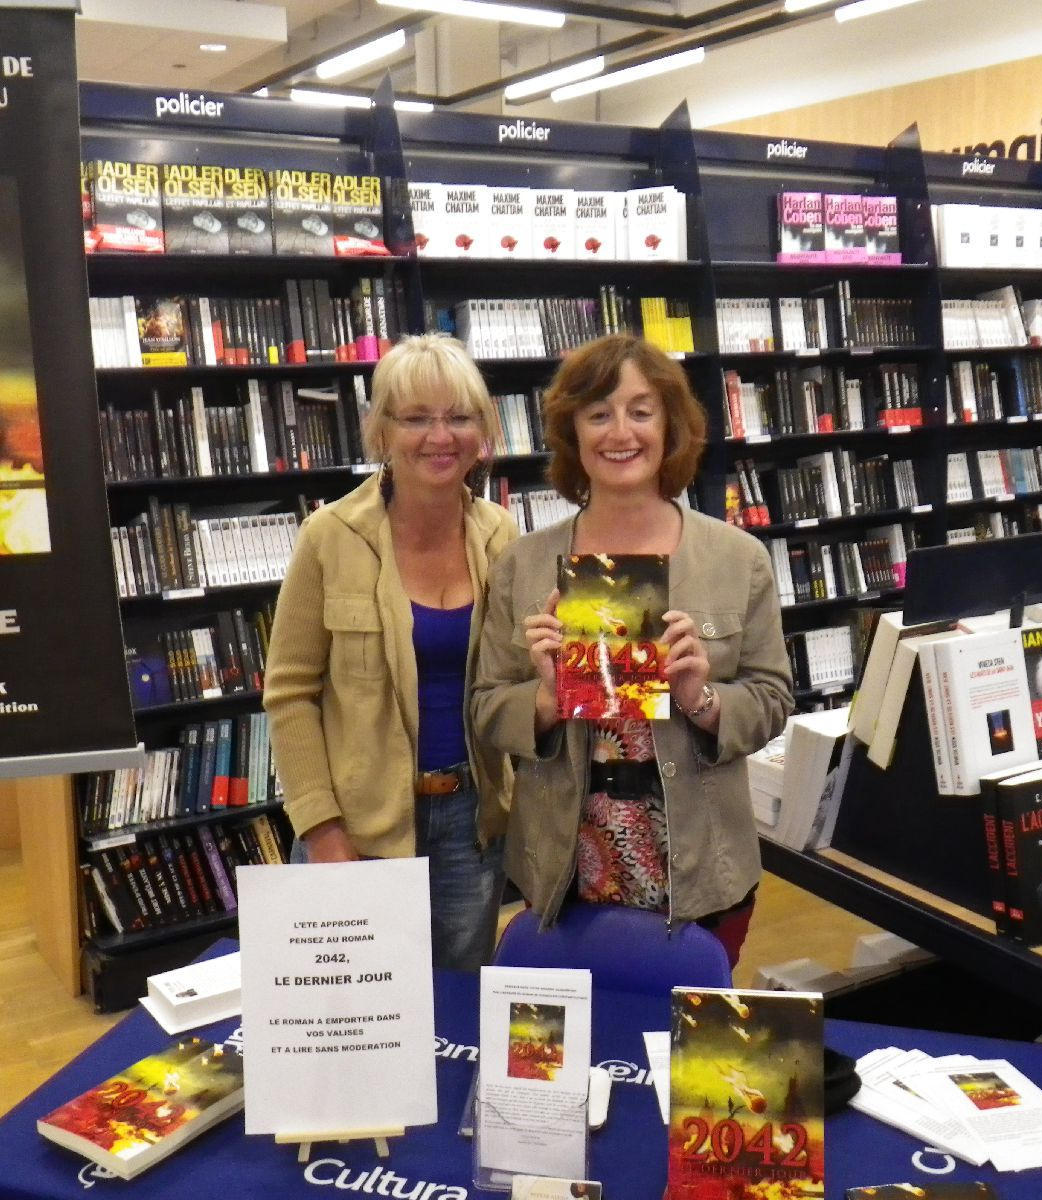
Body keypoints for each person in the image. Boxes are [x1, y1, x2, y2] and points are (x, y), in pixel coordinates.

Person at [472, 334, 793, 968]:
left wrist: (699, 699)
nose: (621, 432)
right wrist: (544, 695)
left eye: (641, 411)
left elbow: (774, 699)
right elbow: (484, 707)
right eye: (598, 413)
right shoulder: (524, 565)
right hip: (565, 868)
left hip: (704, 867)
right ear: (573, 432)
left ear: (670, 427)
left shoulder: (737, 559)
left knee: (680, 1045)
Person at [263, 333, 517, 971]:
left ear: (482, 429)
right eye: (417, 418)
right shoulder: (330, 537)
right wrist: (322, 830)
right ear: (380, 430)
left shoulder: (502, 537)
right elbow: (289, 692)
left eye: (459, 417)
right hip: (356, 829)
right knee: (356, 1025)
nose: (440, 436)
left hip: (470, 826)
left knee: (453, 1018)